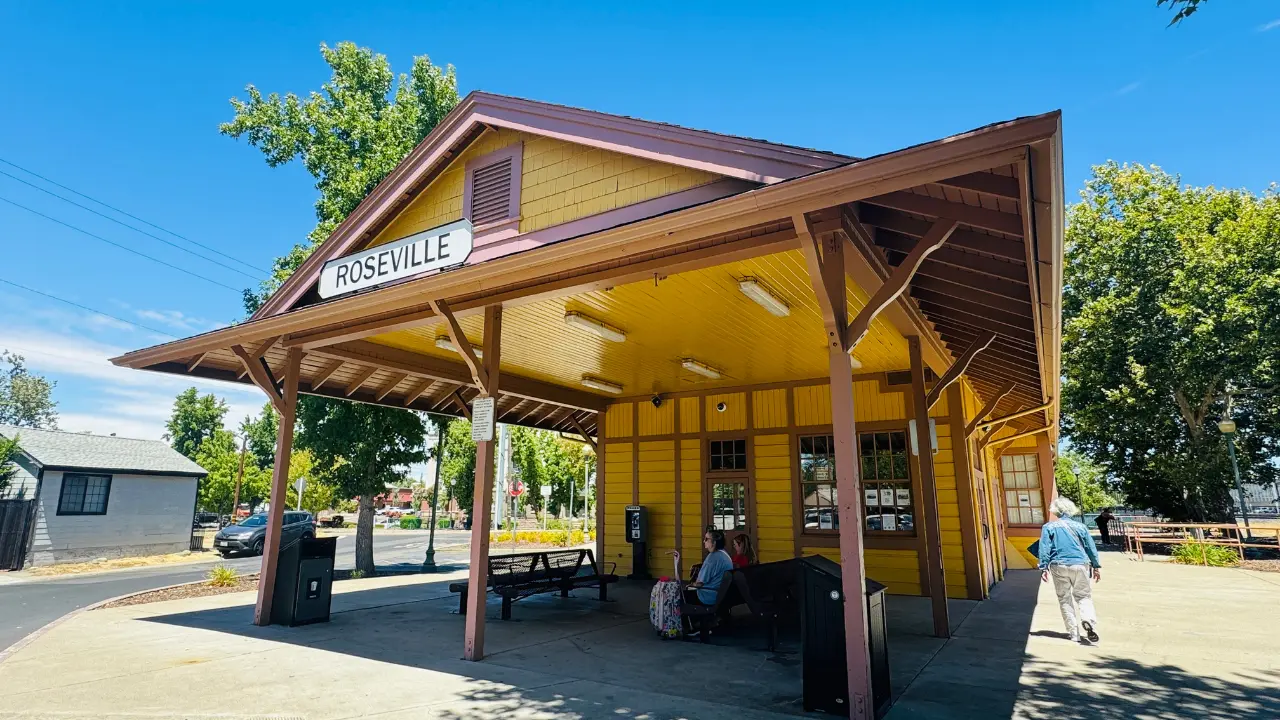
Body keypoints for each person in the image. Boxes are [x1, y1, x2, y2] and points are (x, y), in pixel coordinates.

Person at [1038, 496, 1103, 644]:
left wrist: (1043, 567)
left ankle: (1074, 633)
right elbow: (1090, 548)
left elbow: (1044, 548)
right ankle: (1088, 620)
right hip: (1080, 564)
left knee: (1064, 598)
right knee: (1084, 596)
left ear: (1055, 511)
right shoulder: (1081, 527)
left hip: (1058, 564)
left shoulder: (1048, 527)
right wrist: (1096, 566)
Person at [687, 528, 733, 605]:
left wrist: (691, 584)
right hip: (722, 595)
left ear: (714, 542)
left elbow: (700, 583)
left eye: (706, 539)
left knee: (682, 596)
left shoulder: (712, 558)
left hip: (708, 596)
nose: (704, 541)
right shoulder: (724, 554)